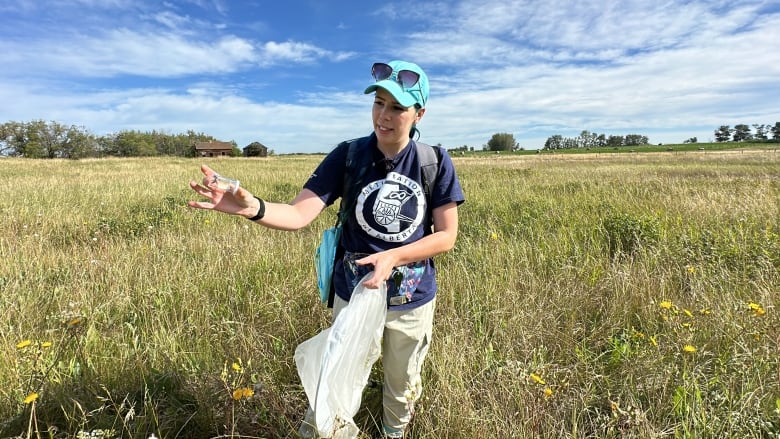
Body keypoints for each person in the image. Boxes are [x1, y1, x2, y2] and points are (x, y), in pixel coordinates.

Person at [188, 60, 465, 438]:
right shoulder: (349, 155)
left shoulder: (434, 161)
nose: (384, 116)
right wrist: (254, 208)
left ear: (419, 114)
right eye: (379, 103)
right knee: (338, 377)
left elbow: (446, 235)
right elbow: (300, 213)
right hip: (353, 293)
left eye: (397, 108)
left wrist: (393, 257)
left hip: (411, 299)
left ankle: (392, 432)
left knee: (402, 384)